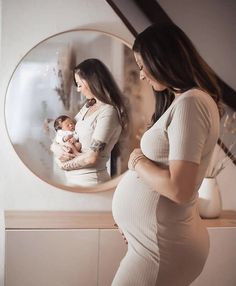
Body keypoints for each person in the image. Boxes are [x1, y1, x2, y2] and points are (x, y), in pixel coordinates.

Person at [112, 23, 221, 286]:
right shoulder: (183, 101)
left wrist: (136, 162)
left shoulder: (192, 103)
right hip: (154, 243)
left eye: (141, 65)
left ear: (162, 58)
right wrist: (135, 227)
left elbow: (179, 189)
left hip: (161, 249)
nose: (140, 75)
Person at [51, 58, 128, 187]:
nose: (78, 90)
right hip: (72, 181)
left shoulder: (108, 112)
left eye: (80, 85)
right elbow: (59, 136)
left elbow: (92, 157)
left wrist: (63, 165)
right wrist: (57, 150)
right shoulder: (88, 106)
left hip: (91, 182)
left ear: (93, 82)